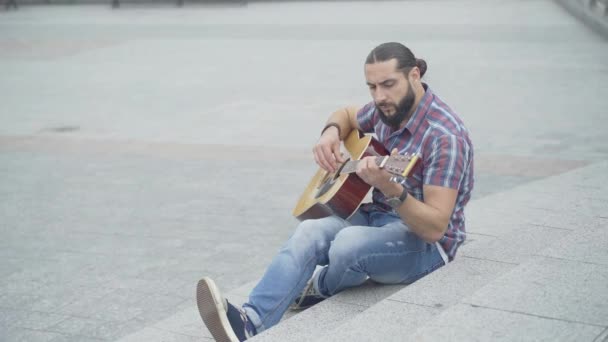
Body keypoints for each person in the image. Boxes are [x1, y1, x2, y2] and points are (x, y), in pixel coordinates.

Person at [196, 42, 474, 342]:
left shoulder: (445, 138)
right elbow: (346, 114)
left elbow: (435, 227)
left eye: (388, 85)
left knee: (347, 243)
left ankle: (318, 287)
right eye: (372, 87)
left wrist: (388, 186)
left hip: (426, 246)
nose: (379, 97)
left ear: (415, 76)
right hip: (379, 217)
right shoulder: (388, 110)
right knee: (309, 232)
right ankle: (249, 322)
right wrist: (330, 133)